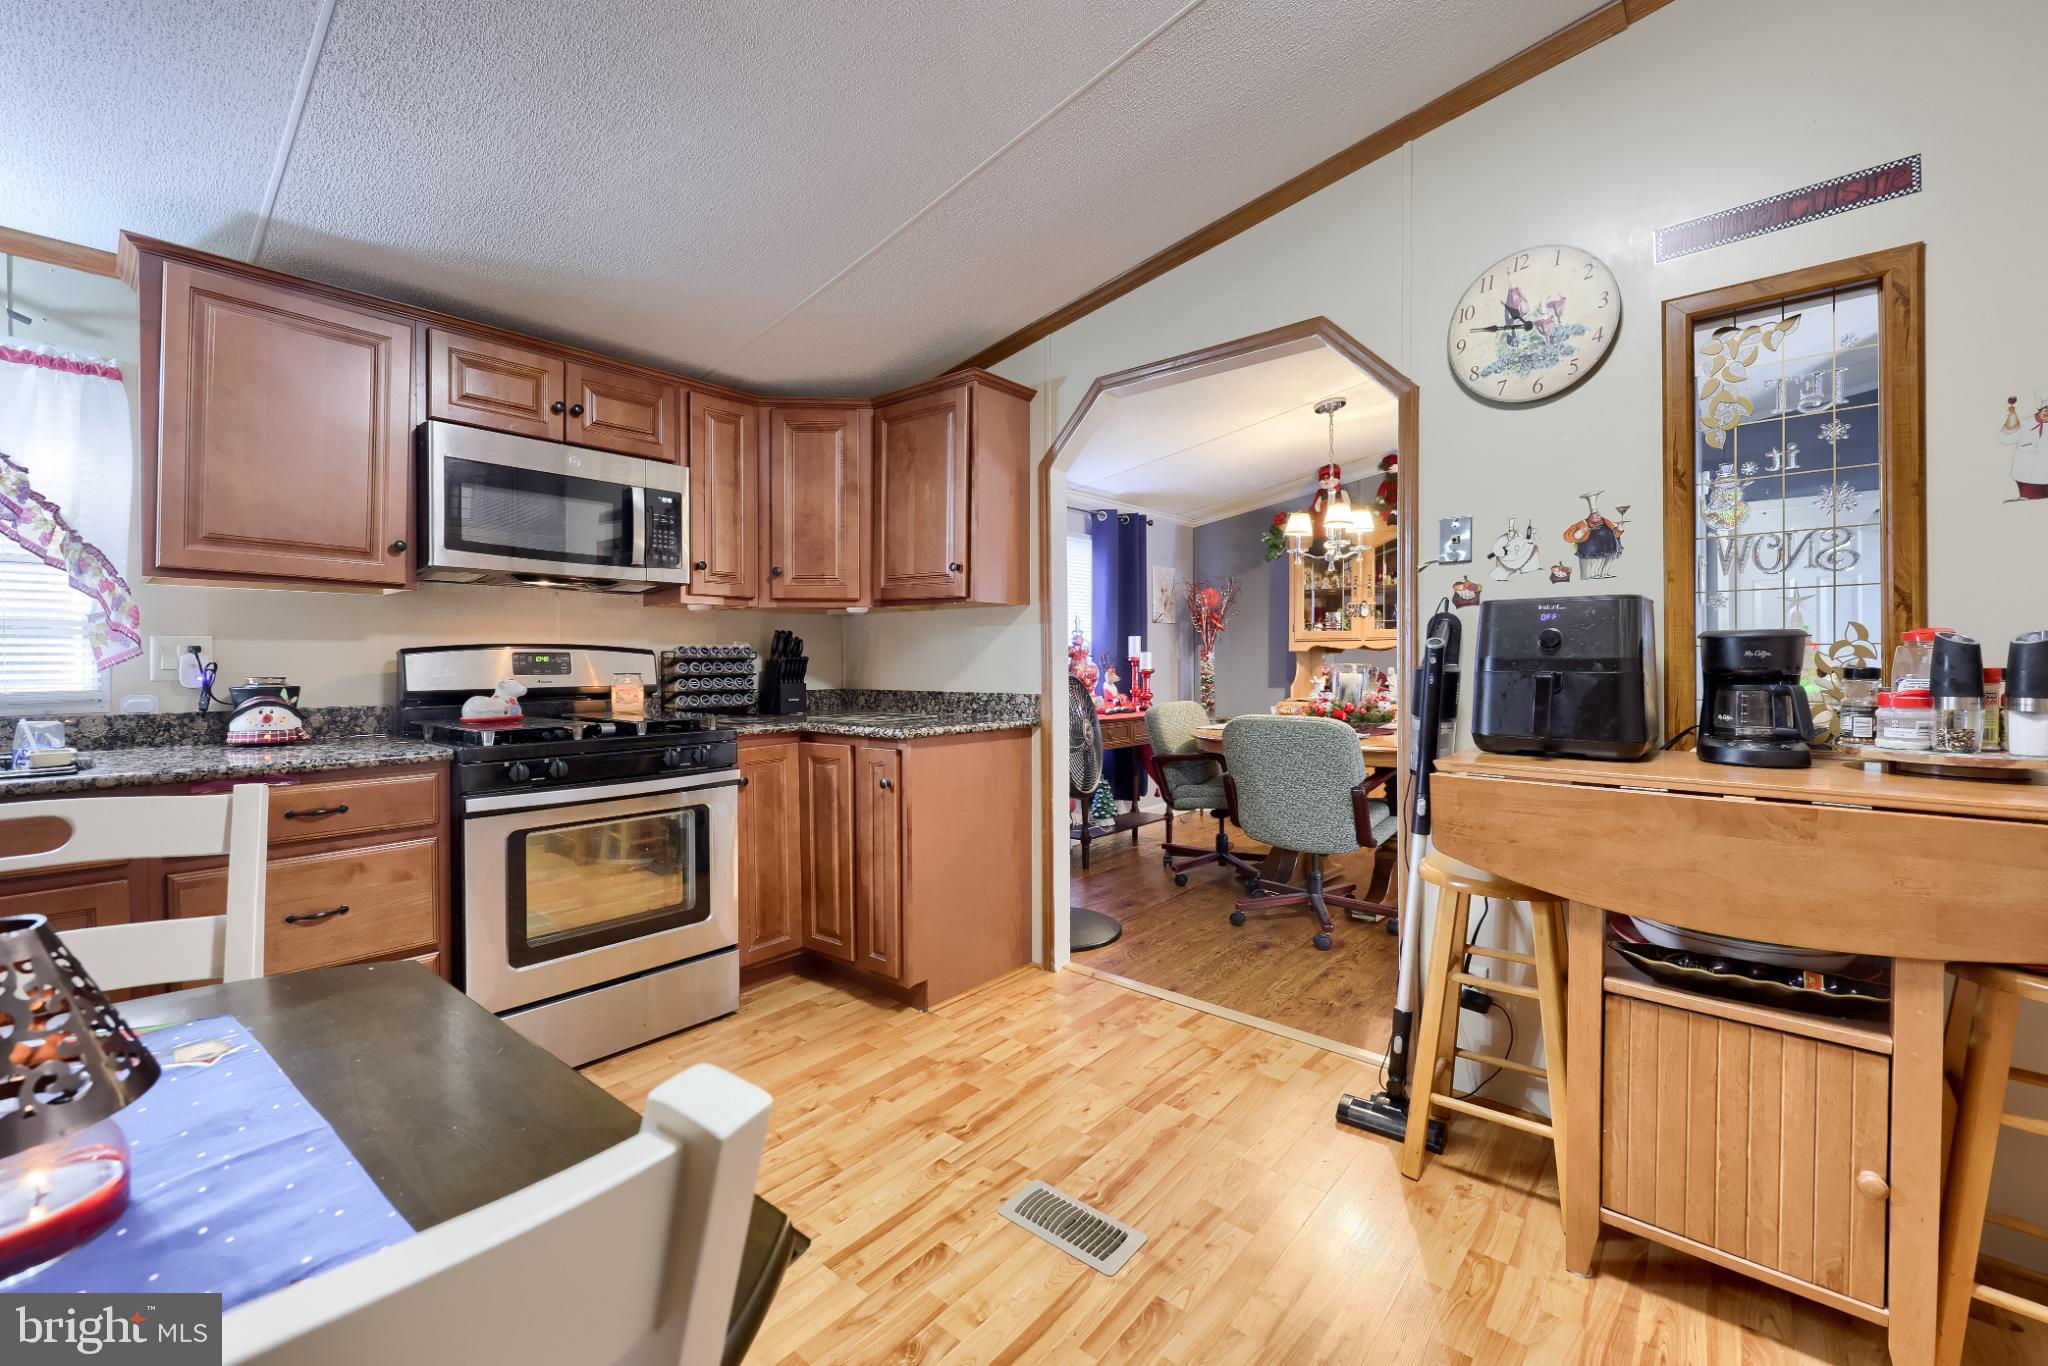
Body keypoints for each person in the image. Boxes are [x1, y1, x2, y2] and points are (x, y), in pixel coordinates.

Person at [1999, 386, 2048, 501]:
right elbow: (2006, 439)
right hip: (2026, 476)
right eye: (2046, 409)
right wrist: (2011, 421)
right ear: (2040, 409)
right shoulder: (2025, 423)